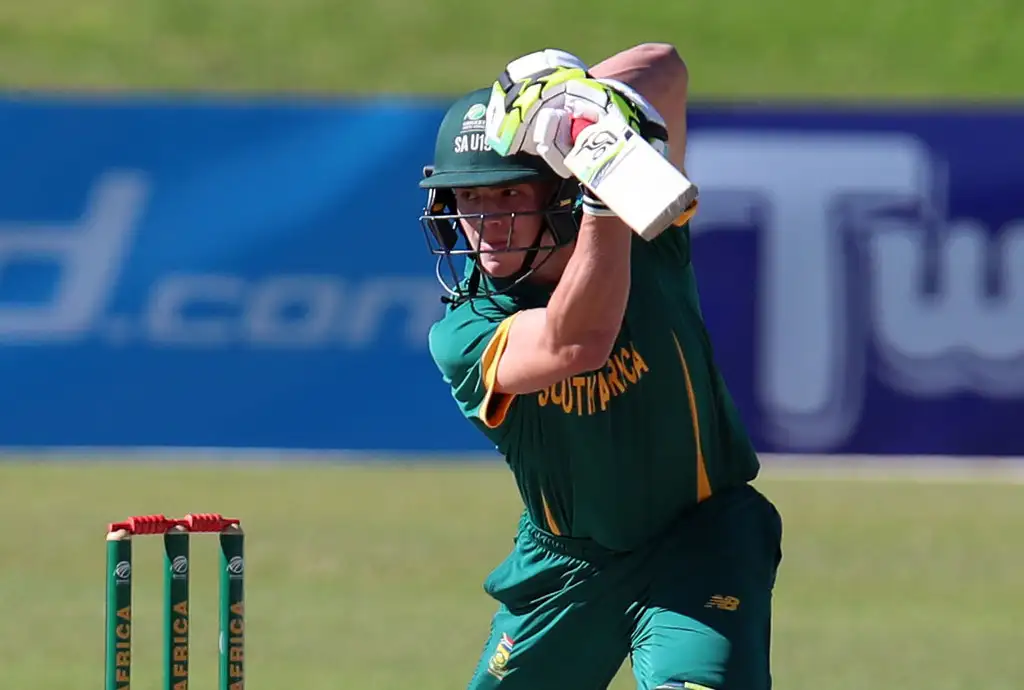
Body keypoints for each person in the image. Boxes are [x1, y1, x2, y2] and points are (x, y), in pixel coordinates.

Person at [417, 43, 784, 690]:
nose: (485, 223)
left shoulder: (647, 234)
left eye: (508, 194)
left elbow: (665, 67)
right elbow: (576, 342)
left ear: (560, 190)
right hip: (566, 568)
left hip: (700, 539)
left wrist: (581, 104)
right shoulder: (464, 330)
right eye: (468, 197)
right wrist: (608, 190)